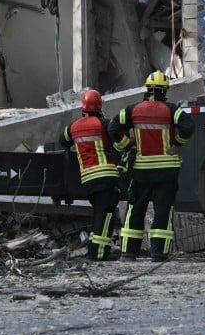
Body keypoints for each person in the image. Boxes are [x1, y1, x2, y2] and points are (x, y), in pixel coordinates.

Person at [108, 70, 194, 262]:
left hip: (141, 171)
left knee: (135, 210)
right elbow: (188, 126)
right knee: (163, 211)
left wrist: (126, 145)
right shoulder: (172, 109)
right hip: (166, 172)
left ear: (147, 89)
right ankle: (158, 254)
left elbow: (113, 127)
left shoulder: (132, 110)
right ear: (165, 91)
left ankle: (129, 253)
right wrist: (177, 144)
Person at [60, 89, 121, 261]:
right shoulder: (105, 124)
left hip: (88, 179)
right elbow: (117, 140)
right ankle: (99, 254)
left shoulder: (73, 127)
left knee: (99, 214)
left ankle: (95, 251)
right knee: (105, 215)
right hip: (106, 176)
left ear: (83, 107)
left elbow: (63, 141)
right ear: (100, 106)